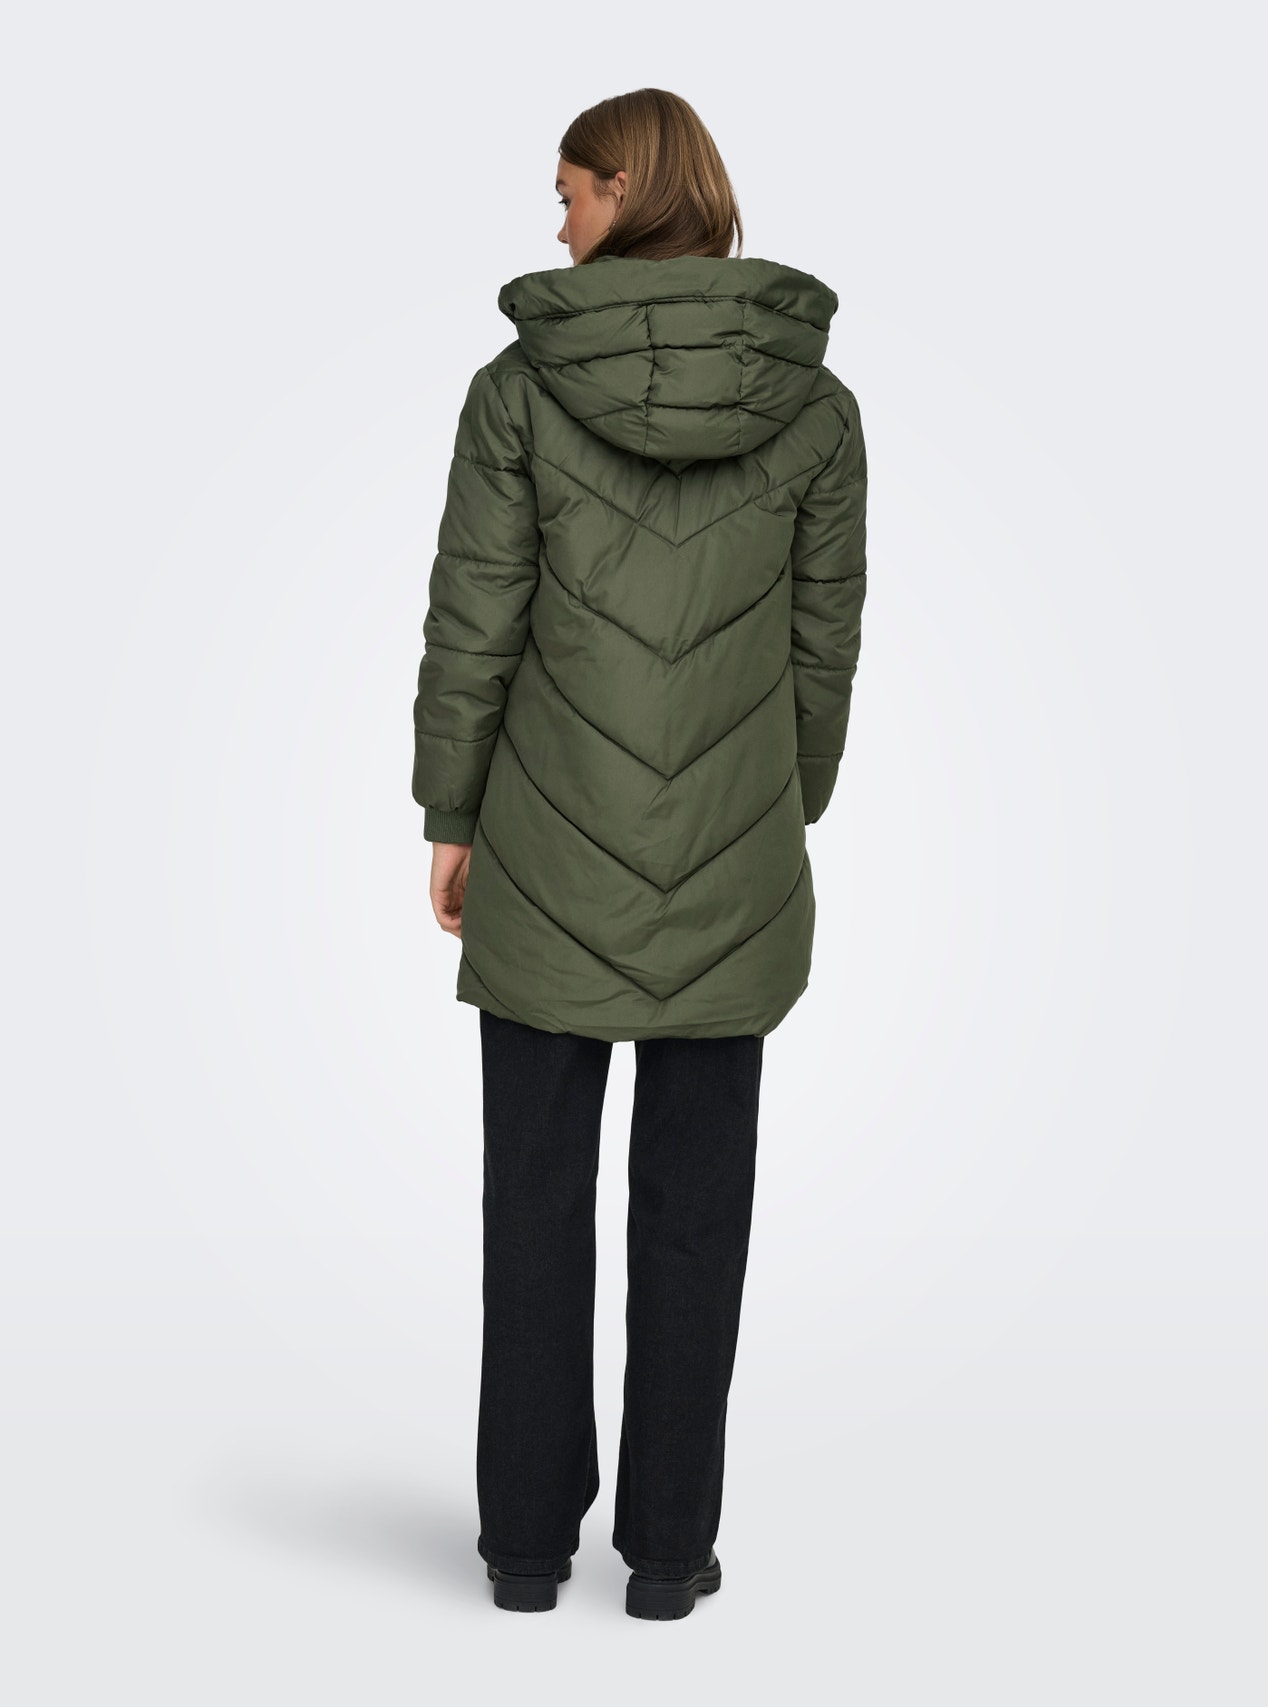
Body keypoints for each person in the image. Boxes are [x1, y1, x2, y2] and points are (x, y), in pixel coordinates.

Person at [410, 87, 868, 1620]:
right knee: (697, 1218)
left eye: (569, 193)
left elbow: (475, 623)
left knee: (534, 1206)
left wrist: (453, 814)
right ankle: (669, 1556)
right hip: (735, 860)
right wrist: (784, 805)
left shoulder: (519, 393)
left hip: (545, 847)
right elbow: (823, 644)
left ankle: (523, 1550)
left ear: (625, 189)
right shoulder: (816, 408)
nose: (556, 226)